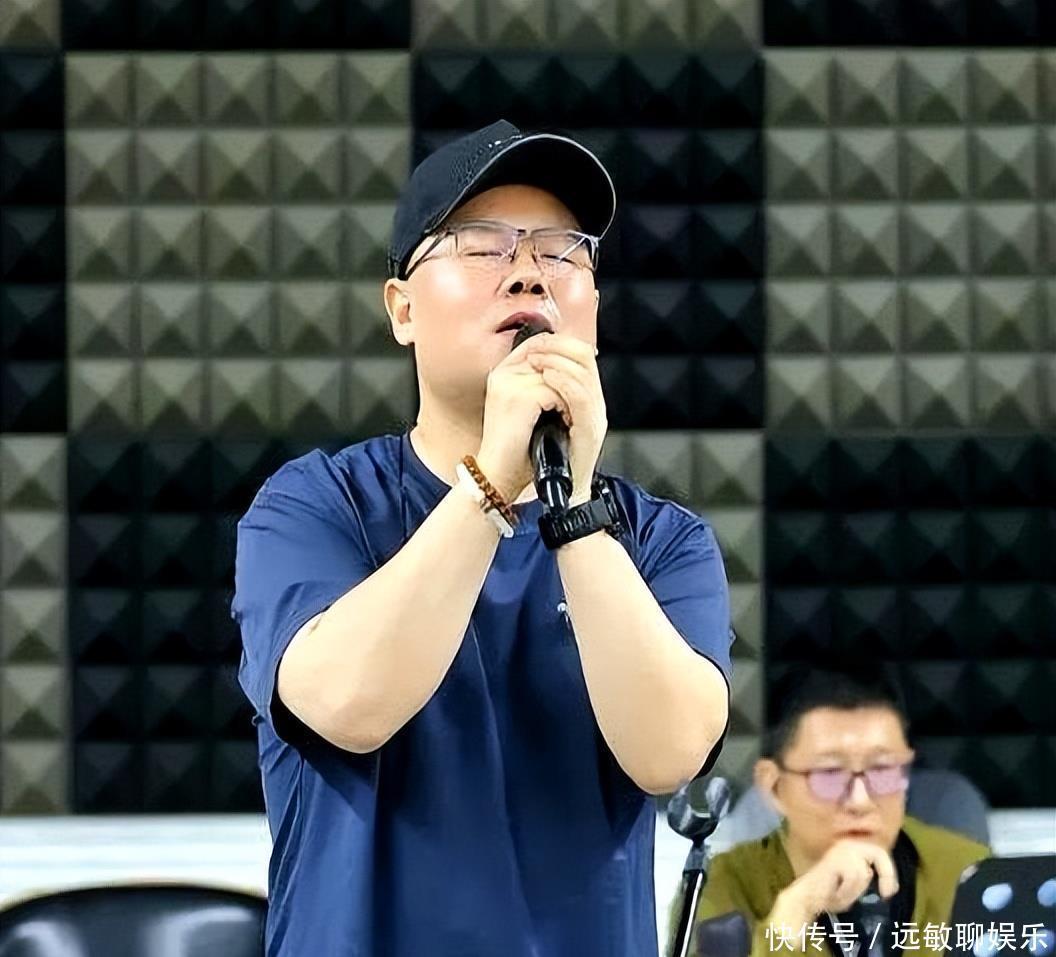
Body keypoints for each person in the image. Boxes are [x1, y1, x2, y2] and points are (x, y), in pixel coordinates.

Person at [232, 119, 734, 957]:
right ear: (402, 309)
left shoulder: (662, 540)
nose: (529, 271)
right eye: (482, 244)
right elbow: (349, 705)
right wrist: (491, 482)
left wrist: (572, 507)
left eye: (562, 251)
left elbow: (669, 754)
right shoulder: (316, 506)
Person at [681, 670, 988, 956]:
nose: (860, 801)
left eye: (882, 770)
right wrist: (796, 911)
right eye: (829, 774)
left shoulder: (967, 872)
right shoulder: (722, 885)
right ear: (774, 785)